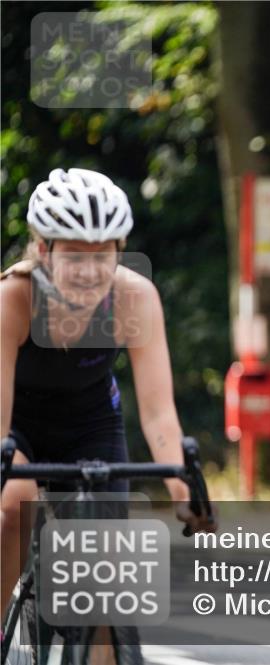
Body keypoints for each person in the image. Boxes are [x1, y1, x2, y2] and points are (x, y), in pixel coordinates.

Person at [1, 168, 216, 624]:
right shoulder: (12, 300)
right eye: (74, 255)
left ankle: (100, 648)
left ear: (120, 251)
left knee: (104, 566)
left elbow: (158, 416)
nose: (90, 271)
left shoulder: (135, 298)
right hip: (15, 424)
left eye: (103, 255)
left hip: (91, 423)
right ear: (44, 250)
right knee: (17, 502)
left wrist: (184, 490)